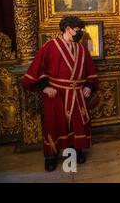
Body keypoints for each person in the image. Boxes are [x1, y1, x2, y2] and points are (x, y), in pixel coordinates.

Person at [22, 16, 97, 172]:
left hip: (77, 95)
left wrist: (89, 85)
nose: (79, 33)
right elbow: (38, 69)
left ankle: (77, 151)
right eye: (77, 30)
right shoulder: (50, 46)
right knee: (54, 124)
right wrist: (45, 87)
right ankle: (51, 156)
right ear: (68, 29)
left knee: (77, 124)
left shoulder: (81, 48)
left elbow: (90, 70)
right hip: (56, 94)